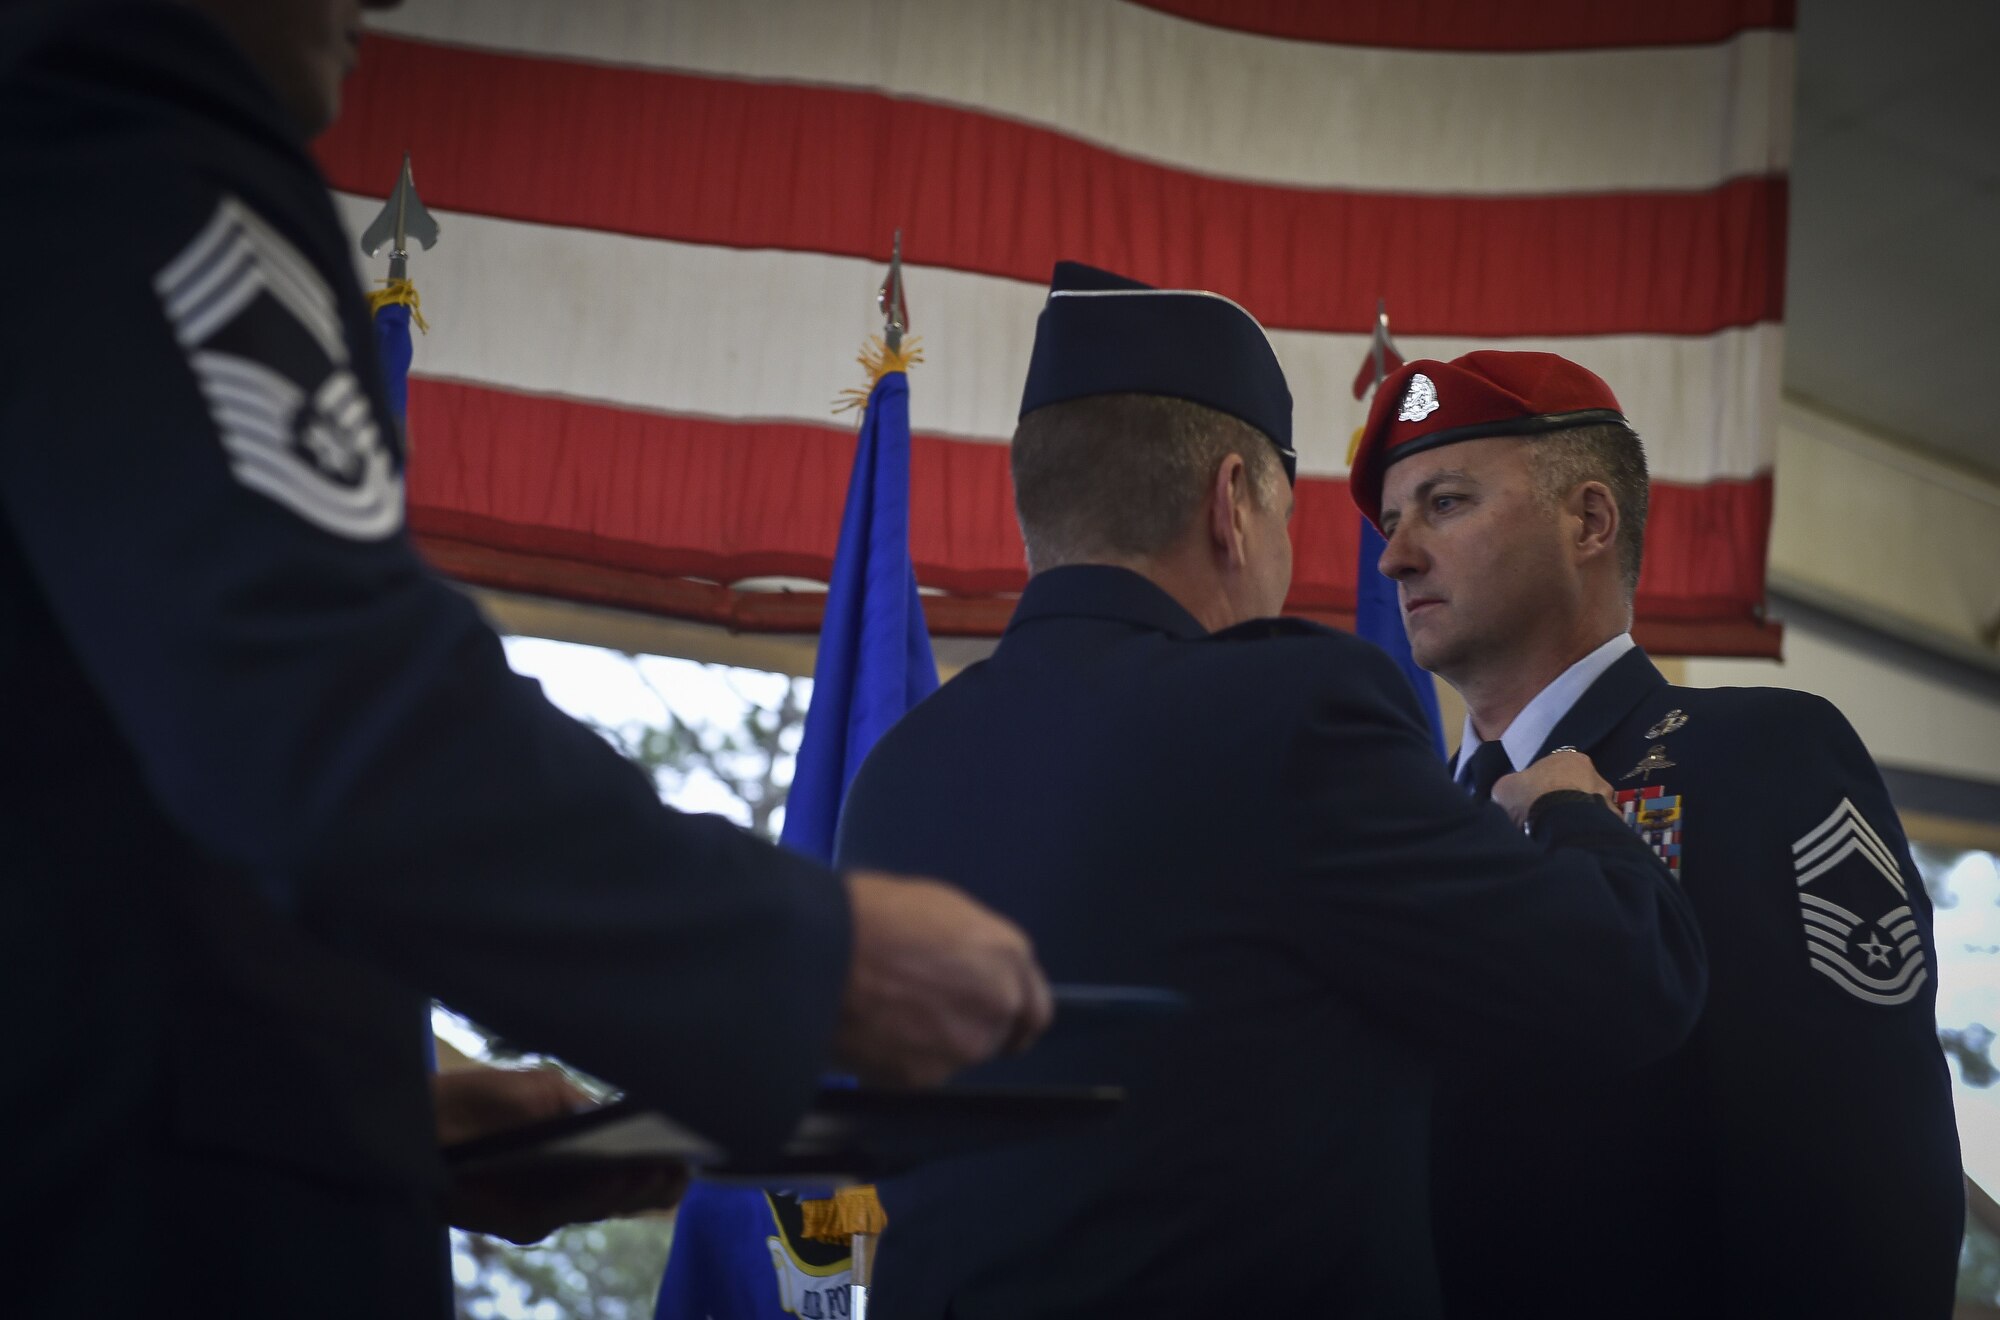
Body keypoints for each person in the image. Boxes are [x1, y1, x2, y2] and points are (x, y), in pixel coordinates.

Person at [0, 2, 1050, 1315]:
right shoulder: (120, 155)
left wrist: (387, 1119)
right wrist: (803, 959)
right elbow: (324, 696)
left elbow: (105, 823)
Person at [830, 261, 1709, 1317]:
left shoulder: (894, 773)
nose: (1385, 562)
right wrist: (1571, 808)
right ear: (1232, 505)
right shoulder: (1287, 710)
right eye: (1294, 517)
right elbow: (1621, 983)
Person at [1350, 349, 1966, 1318]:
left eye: (1445, 503)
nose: (1393, 555)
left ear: (1588, 520)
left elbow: (1856, 1156)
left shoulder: (1754, 757)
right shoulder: (1416, 823)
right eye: (1389, 522)